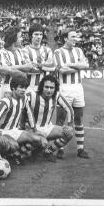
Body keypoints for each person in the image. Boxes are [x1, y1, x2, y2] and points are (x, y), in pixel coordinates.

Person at [0, 75, 48, 165]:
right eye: (21, 87)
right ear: (13, 88)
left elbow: (29, 113)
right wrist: (0, 133)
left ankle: (16, 155)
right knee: (13, 145)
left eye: (25, 88)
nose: (24, 90)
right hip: (3, 131)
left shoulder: (24, 99)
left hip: (15, 131)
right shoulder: (5, 101)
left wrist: (34, 129)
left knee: (40, 140)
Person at [54, 29, 90, 159]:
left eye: (76, 36)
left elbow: (86, 65)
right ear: (65, 38)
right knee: (61, 120)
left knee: (79, 119)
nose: (76, 38)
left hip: (78, 88)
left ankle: (80, 150)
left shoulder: (79, 51)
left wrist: (71, 65)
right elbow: (62, 70)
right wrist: (78, 66)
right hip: (64, 89)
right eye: (73, 36)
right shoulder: (58, 52)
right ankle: (60, 149)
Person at [25, 75, 74, 162]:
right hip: (32, 129)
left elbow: (69, 109)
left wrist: (70, 125)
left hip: (47, 127)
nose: (49, 90)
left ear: (55, 88)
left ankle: (48, 151)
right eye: (46, 87)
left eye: (52, 88)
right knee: (41, 144)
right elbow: (19, 102)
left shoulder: (56, 96)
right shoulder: (32, 95)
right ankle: (21, 153)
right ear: (41, 87)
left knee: (69, 133)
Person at [22, 24, 56, 92]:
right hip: (29, 87)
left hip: (44, 88)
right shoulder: (24, 50)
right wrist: (45, 67)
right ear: (31, 35)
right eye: (36, 34)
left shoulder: (48, 50)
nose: (39, 37)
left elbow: (52, 67)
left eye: (41, 34)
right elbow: (28, 70)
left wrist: (38, 65)